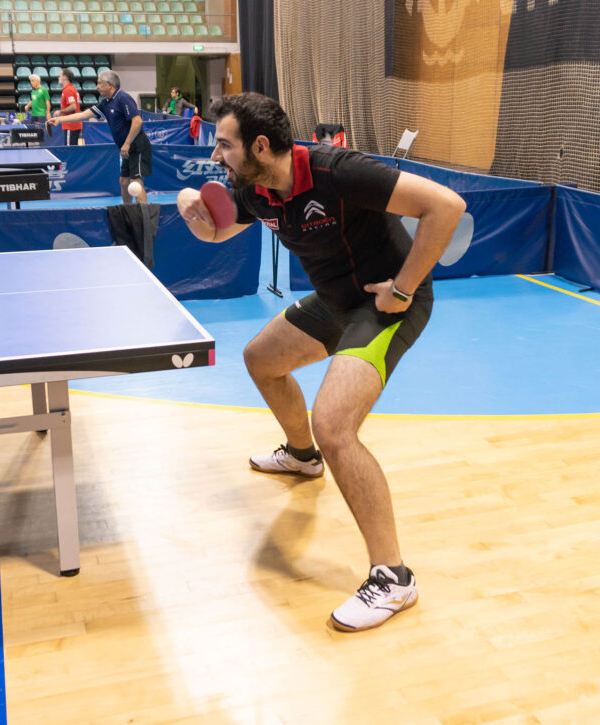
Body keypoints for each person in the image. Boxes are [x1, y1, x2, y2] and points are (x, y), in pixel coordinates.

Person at [176, 93, 466, 633]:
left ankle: (394, 577)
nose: (215, 155)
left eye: (224, 144)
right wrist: (190, 204)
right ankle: (301, 456)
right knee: (261, 359)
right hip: (336, 302)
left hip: (384, 304)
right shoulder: (256, 189)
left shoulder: (338, 172)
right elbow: (216, 229)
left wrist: (403, 289)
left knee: (335, 425)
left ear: (260, 146)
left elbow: (446, 207)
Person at [49, 70, 152, 204]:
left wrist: (127, 143)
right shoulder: (106, 103)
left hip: (137, 145)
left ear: (109, 85)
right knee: (124, 181)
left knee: (136, 183)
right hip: (126, 148)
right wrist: (60, 120)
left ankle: (143, 214)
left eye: (100, 83)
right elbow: (83, 115)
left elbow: (137, 121)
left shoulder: (123, 98)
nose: (97, 86)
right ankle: (128, 210)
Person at [47, 67, 84, 146]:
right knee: (72, 149)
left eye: (60, 76)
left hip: (71, 125)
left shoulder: (68, 90)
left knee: (69, 150)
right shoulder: (71, 88)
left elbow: (73, 106)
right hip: (73, 124)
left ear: (65, 77)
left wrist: (60, 111)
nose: (58, 78)